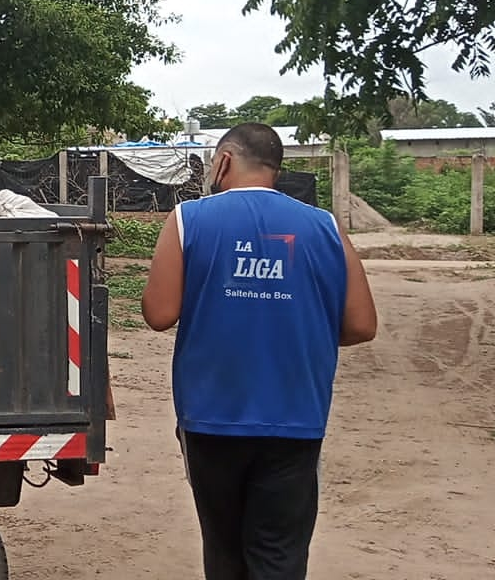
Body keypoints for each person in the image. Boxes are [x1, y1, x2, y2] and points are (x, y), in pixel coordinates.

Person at [142, 122, 378, 580]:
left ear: (225, 161)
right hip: (296, 418)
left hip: (211, 416)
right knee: (279, 555)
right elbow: (362, 325)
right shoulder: (326, 226)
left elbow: (158, 313)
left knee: (225, 550)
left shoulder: (189, 219)